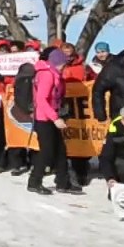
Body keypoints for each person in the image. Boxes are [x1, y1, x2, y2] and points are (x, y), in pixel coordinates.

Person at [28, 48, 82, 196]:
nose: (65, 67)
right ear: (57, 62)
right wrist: (55, 118)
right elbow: (41, 100)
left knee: (60, 151)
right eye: (64, 63)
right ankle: (34, 182)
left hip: (51, 116)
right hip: (44, 118)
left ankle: (62, 183)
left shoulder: (54, 74)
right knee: (47, 152)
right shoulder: (46, 75)